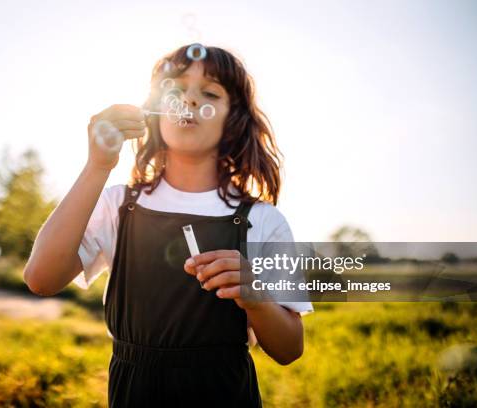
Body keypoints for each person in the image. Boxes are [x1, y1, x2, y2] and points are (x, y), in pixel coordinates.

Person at [23, 43, 314, 407]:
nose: (189, 101)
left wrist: (255, 297)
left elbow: (290, 349)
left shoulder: (264, 220)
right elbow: (40, 278)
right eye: (175, 90)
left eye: (209, 93)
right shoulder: (118, 204)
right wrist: (97, 166)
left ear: (233, 120)